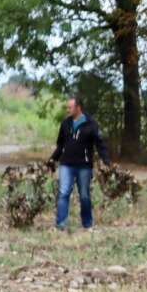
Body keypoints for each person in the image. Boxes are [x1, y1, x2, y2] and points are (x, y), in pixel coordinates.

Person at [50, 97, 112, 231]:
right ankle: (61, 224)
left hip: (84, 165)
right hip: (66, 164)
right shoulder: (66, 124)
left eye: (70, 107)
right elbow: (60, 145)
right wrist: (53, 160)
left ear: (78, 108)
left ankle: (87, 223)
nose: (68, 110)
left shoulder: (91, 124)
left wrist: (106, 160)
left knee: (84, 195)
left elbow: (100, 144)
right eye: (67, 107)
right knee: (63, 192)